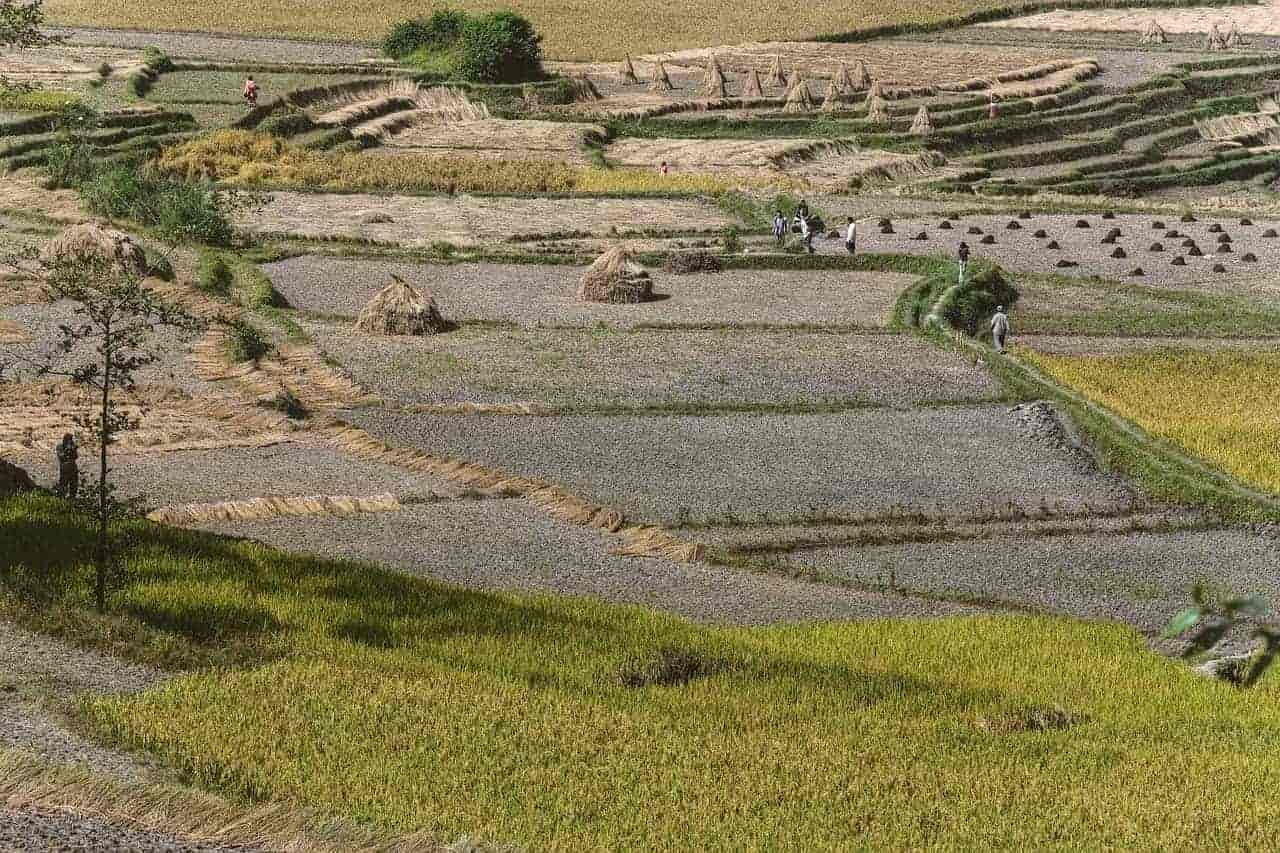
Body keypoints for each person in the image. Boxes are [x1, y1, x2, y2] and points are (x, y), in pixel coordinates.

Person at [55, 433, 78, 500]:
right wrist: (67, 450)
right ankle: (61, 498)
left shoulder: (72, 446)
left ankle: (72, 498)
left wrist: (73, 450)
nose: (70, 441)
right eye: (68, 440)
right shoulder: (60, 446)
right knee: (63, 485)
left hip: (73, 468)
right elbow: (61, 456)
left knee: (74, 485)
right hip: (64, 468)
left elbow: (76, 457)